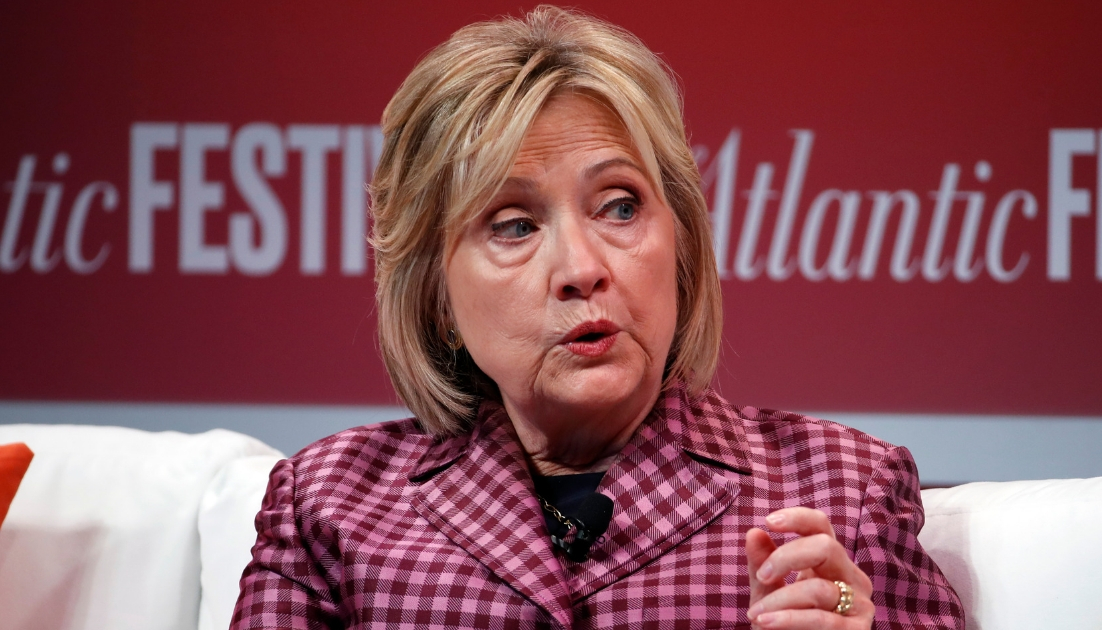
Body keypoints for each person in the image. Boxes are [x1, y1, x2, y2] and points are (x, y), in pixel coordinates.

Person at [231, 6, 964, 629]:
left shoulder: (842, 491)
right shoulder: (328, 505)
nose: (582, 268)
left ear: (679, 243)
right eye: (514, 224)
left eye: (620, 206)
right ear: (436, 295)